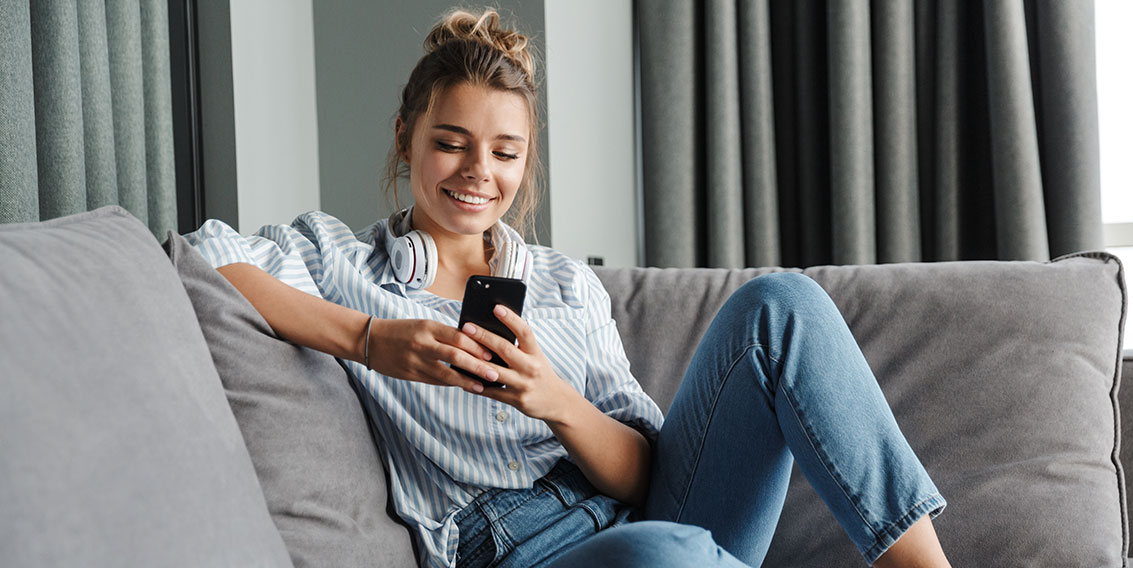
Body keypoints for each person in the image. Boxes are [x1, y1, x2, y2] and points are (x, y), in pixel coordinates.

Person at [186, 9, 949, 568]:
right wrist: (368, 338)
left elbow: (646, 472)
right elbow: (206, 254)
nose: (477, 171)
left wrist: (553, 399)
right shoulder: (341, 264)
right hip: (525, 551)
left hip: (648, 516)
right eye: (450, 143)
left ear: (525, 161)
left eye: (504, 151)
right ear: (405, 138)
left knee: (782, 307)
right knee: (666, 556)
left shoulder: (562, 283)